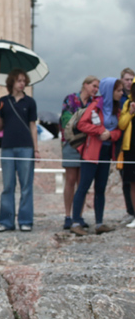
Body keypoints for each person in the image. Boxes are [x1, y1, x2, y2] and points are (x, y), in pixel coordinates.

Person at [70, 77, 123, 236]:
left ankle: (99, 223)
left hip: (106, 153)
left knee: (100, 188)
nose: (121, 93)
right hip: (91, 153)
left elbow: (119, 131)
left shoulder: (116, 109)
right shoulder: (94, 106)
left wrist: (110, 135)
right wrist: (100, 132)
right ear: (109, 91)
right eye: (118, 90)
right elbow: (82, 124)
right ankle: (76, 222)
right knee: (83, 187)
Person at [0, 68, 38, 232]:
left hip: (26, 146)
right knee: (7, 186)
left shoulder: (30, 102)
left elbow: (33, 126)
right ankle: (6, 221)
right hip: (8, 147)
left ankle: (25, 220)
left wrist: (36, 149)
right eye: (19, 80)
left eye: (24, 81)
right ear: (12, 82)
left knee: (26, 185)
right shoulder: (3, 101)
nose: (22, 83)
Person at [59, 75, 100, 229]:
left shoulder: (95, 103)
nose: (95, 89)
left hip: (87, 145)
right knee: (70, 179)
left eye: (97, 87)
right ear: (85, 84)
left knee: (82, 182)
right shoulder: (70, 99)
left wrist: (83, 123)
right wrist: (84, 123)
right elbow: (67, 120)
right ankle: (68, 215)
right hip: (71, 143)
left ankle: (79, 215)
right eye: (94, 86)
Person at [118, 67, 134, 224]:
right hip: (123, 145)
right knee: (126, 179)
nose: (129, 83)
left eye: (131, 80)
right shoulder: (119, 98)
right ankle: (130, 211)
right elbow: (120, 124)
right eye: (126, 79)